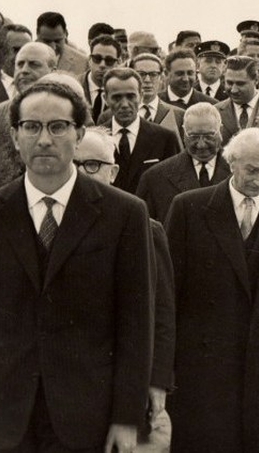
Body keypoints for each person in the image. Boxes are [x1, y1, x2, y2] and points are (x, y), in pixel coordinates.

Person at [0, 81, 153, 453]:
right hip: (5, 416)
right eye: (32, 126)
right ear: (15, 137)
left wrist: (126, 419)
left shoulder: (124, 214)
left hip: (89, 415)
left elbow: (136, 324)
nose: (44, 138)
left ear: (78, 134)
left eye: (57, 126)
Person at [165, 127, 259, 451]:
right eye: (251, 171)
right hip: (203, 371)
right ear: (231, 163)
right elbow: (169, 292)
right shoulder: (189, 208)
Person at [74, 128, 175, 448]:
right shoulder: (48, 225)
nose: (79, 173)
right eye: (72, 164)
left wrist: (158, 382)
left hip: (124, 377)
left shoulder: (144, 227)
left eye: (92, 165)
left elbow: (162, 312)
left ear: (113, 172)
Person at [136, 102, 230, 222]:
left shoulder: (238, 172)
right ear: (183, 133)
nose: (201, 144)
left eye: (208, 136)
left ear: (220, 131)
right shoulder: (155, 177)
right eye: (193, 136)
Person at [101, 68, 181, 193]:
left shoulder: (165, 138)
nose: (125, 104)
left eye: (131, 96)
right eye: (117, 98)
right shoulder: (96, 138)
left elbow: (174, 185)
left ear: (141, 96)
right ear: (105, 98)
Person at [217, 55, 259, 145]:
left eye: (240, 84)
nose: (234, 90)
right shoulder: (216, 111)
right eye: (229, 83)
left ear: (256, 80)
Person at [80, 35, 122, 123]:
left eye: (109, 60)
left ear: (118, 63)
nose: (102, 65)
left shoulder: (123, 92)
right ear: (89, 60)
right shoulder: (74, 86)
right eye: (97, 59)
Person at [35, 11, 87, 77]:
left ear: (66, 33)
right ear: (37, 34)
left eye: (57, 41)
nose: (53, 47)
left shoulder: (82, 62)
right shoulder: (23, 58)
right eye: (47, 41)